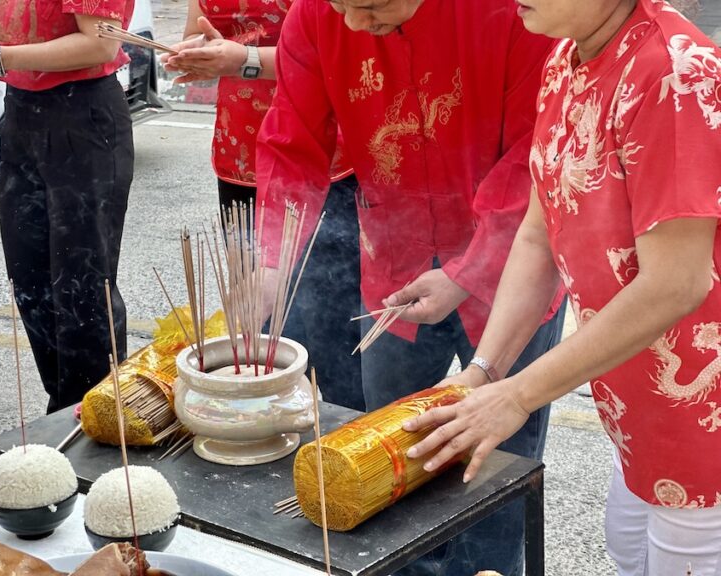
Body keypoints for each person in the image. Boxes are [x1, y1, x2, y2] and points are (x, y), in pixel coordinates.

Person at [404, 1, 721, 574]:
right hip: (634, 405)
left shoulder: (674, 72)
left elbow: (677, 284)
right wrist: (485, 371)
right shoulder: (565, 59)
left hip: (702, 421)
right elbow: (537, 234)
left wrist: (520, 395)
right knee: (629, 550)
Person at [253, 1, 566, 574]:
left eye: (370, 6)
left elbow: (538, 153)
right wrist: (271, 262)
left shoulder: (517, 12)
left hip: (513, 273)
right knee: (388, 459)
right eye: (341, 4)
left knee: (494, 463)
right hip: (393, 268)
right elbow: (291, 144)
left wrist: (467, 272)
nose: (351, 23)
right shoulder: (318, 15)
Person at [162, 2, 366, 411]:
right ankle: (269, 422)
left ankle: (348, 430)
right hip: (241, 155)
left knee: (330, 324)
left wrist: (243, 60)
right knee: (258, 317)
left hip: (318, 154)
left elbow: (343, 48)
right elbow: (200, 30)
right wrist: (196, 53)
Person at [0, 0, 133, 413]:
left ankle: (96, 417)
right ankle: (64, 409)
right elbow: (3, 17)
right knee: (31, 279)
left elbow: (99, 44)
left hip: (83, 115)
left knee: (83, 288)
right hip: (21, 112)